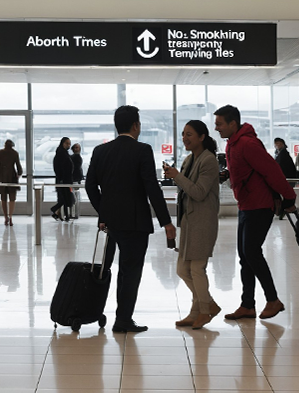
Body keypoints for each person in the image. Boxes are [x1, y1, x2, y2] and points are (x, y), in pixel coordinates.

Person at [86, 105, 176, 333]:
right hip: (135, 223)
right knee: (130, 270)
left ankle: (120, 316)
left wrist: (103, 212)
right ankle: (123, 318)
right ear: (136, 125)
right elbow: (152, 189)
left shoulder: (100, 151)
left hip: (111, 223)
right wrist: (166, 222)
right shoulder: (142, 150)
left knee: (118, 269)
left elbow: (90, 185)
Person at [215, 105, 296, 320]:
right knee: (244, 256)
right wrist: (227, 174)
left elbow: (272, 171)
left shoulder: (248, 144)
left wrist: (289, 197)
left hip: (259, 205)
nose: (217, 128)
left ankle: (273, 300)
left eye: (220, 124)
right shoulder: (232, 143)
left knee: (251, 252)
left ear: (233, 124)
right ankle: (247, 304)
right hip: (246, 204)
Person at [163, 120, 221, 329]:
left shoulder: (209, 161)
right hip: (188, 221)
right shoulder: (189, 159)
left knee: (196, 268)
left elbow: (198, 192)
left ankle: (203, 311)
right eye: (183, 134)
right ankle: (205, 306)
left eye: (189, 134)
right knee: (182, 269)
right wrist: (176, 176)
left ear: (202, 137)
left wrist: (177, 176)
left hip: (203, 221)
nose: (185, 138)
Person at [0, 139, 23, 226]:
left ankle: (5, 217)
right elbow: (18, 166)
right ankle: (10, 217)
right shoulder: (15, 153)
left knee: (3, 198)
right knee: (12, 198)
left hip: (2, 176)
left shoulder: (0, 152)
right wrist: (19, 174)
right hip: (12, 176)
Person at [51, 137, 74, 221]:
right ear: (63, 143)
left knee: (64, 198)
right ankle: (54, 209)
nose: (69, 145)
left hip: (64, 180)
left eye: (69, 143)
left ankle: (64, 215)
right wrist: (62, 179)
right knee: (64, 198)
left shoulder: (64, 153)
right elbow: (60, 168)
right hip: (63, 180)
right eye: (67, 143)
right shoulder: (61, 154)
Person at [274, 137, 297, 219]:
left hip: (286, 178)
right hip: (286, 178)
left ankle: (283, 209)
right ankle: (284, 209)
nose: (277, 145)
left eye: (279, 143)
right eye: (276, 143)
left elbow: (281, 167)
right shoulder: (280, 154)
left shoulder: (283, 155)